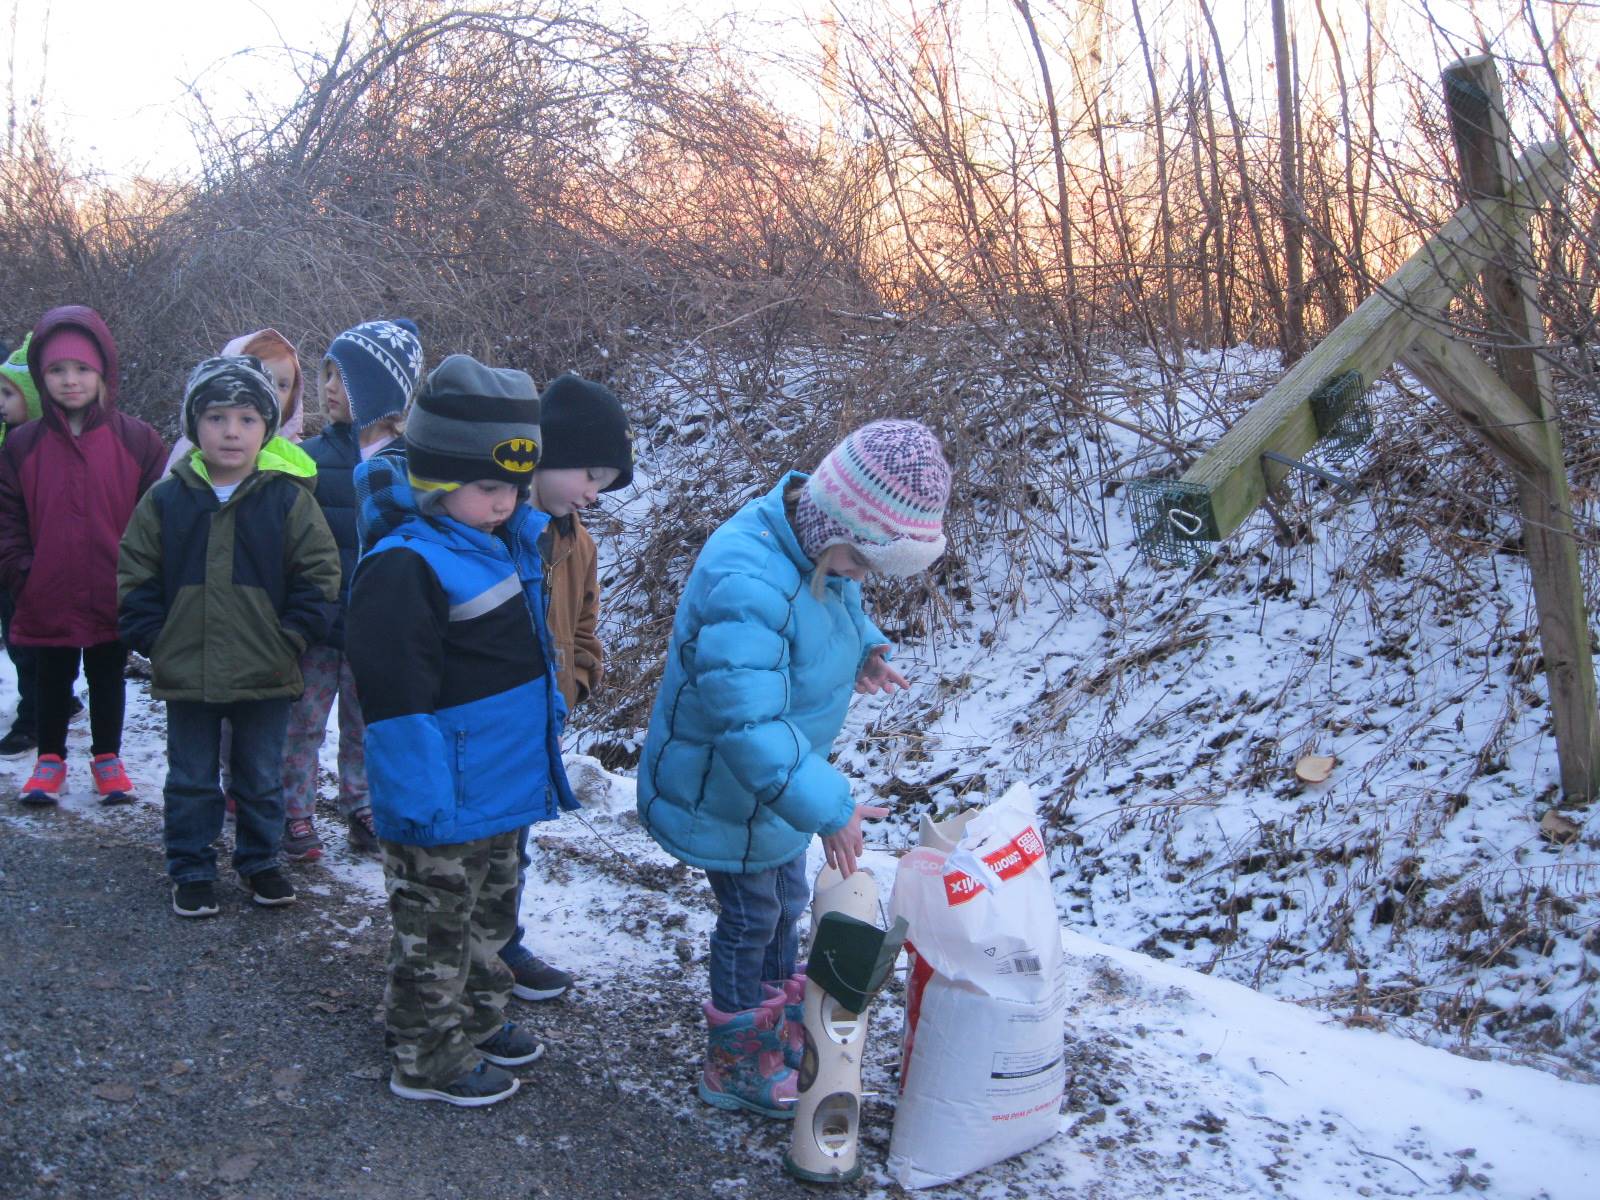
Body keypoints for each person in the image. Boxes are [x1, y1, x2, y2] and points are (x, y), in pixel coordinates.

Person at [637, 419, 950, 1119]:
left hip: (772, 793)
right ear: (834, 524)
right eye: (861, 563)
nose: (860, 580)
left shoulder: (809, 541)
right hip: (723, 788)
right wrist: (831, 808)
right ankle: (735, 1060)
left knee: (782, 903)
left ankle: (772, 1021)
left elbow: (835, 598)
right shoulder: (746, 580)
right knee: (751, 917)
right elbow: (748, 726)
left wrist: (864, 648)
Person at [346, 354, 575, 1108]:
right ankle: (424, 1054)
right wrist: (417, 801)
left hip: (498, 787)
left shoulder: (505, 543)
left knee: (489, 914)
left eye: (513, 486)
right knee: (435, 927)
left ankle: (475, 1018)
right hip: (439, 792)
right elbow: (394, 697)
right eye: (487, 488)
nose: (505, 501)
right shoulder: (406, 565)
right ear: (438, 481)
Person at [118, 357, 340, 917]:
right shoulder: (167, 499)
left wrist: (292, 636)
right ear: (196, 426)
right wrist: (154, 635)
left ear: (267, 427)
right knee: (191, 777)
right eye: (217, 417)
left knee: (260, 777)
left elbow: (319, 574)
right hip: (187, 668)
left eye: (246, 418)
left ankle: (261, 862)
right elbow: (134, 571)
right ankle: (191, 868)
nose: (232, 431)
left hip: (266, 670)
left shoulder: (288, 499)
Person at [493, 372, 634, 1003]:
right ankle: (463, 960)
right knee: (472, 851)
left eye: (604, 485)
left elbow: (584, 631)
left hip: (538, 726)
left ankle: (502, 945)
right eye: (590, 477)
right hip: (485, 719)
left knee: (513, 848)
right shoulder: (491, 524)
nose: (594, 496)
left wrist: (574, 685)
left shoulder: (579, 545)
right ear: (549, 454)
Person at [0, 306, 166, 804]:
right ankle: (49, 759)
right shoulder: (23, 445)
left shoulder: (137, 440)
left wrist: (141, 579)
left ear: (103, 373)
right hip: (45, 587)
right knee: (51, 676)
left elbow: (155, 516)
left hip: (113, 587)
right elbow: (6, 515)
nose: (70, 381)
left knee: (107, 672)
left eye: (82, 369)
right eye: (56, 370)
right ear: (41, 376)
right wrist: (22, 572)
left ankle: (108, 758)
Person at [282, 318, 422, 862]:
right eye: (328, 374)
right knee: (303, 726)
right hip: (318, 626)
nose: (332, 388)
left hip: (377, 632)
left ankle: (361, 807)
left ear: (383, 389)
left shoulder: (411, 464)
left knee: (367, 730)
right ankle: (293, 812)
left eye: (346, 376)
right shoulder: (310, 458)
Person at [164, 328, 307, 473]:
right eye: (261, 379)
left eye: (282, 385)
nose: (272, 391)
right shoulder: (191, 449)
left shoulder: (299, 454)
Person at [0, 335, 43, 757]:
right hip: (9, 562)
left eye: (9, 393)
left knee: (29, 644)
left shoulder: (34, 448)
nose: (1, 401)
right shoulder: (7, 437)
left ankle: (34, 717)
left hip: (28, 565)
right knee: (16, 641)